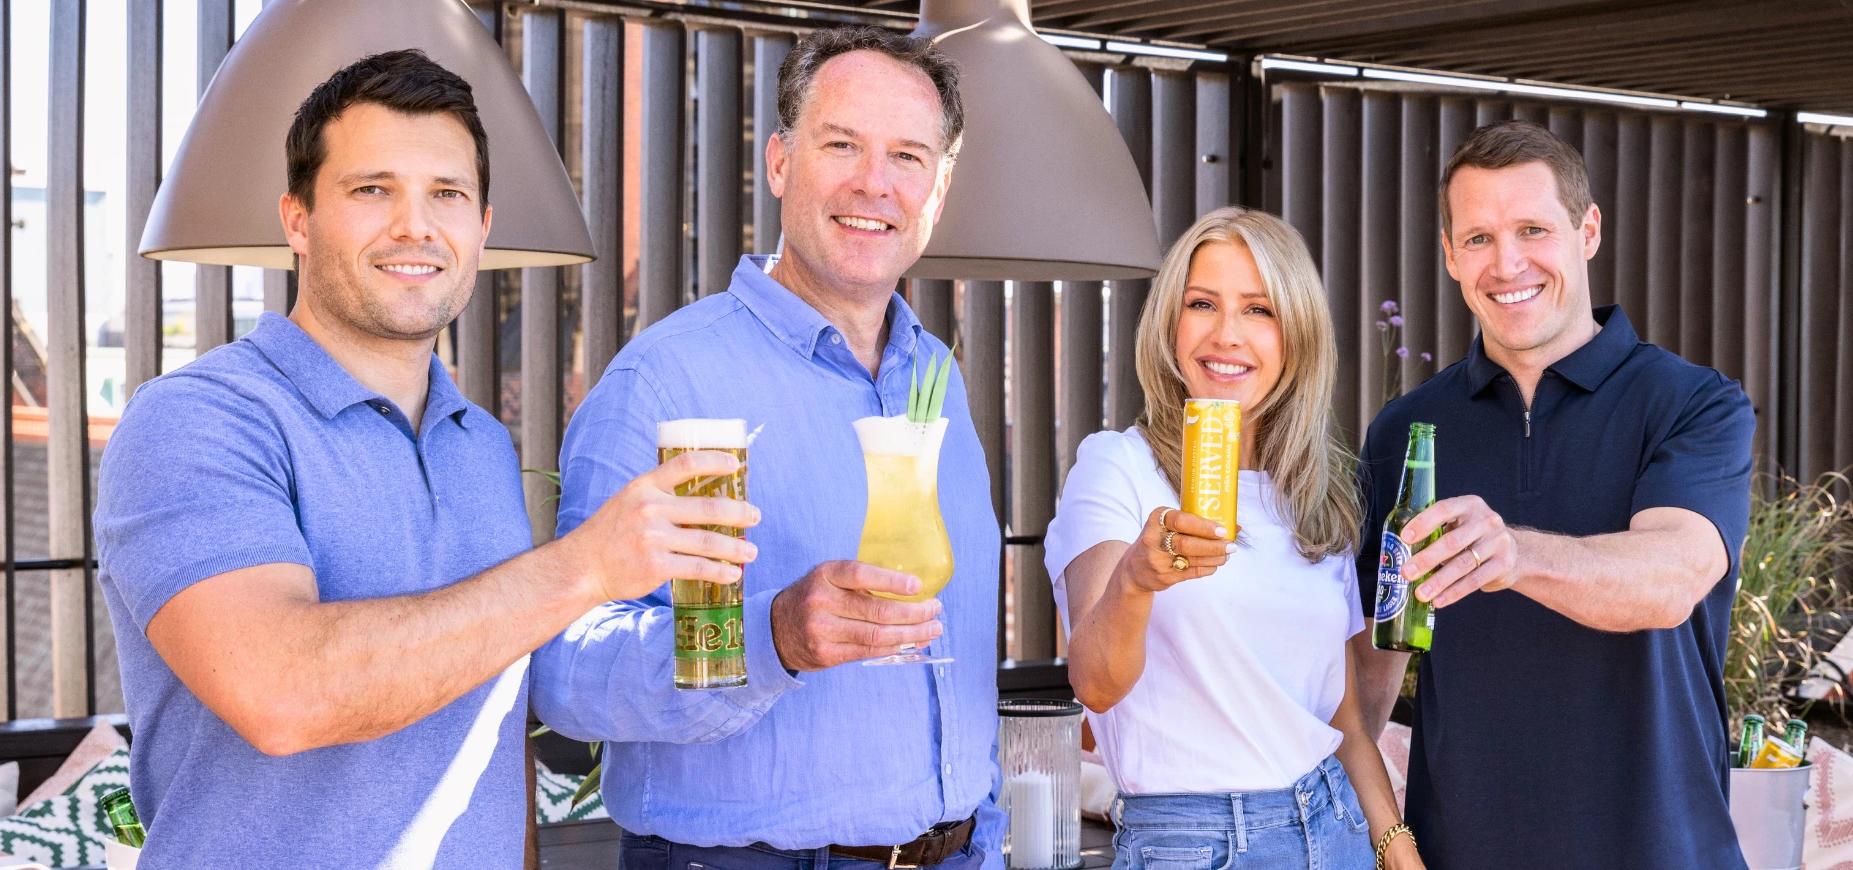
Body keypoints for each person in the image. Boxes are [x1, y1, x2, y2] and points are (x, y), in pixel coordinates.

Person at [93, 51, 758, 868]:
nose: (415, 225)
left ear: (482, 225)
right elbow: (281, 694)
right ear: (296, 219)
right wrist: (584, 568)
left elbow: (491, 722)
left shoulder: (478, 443)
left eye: (446, 194)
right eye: (372, 190)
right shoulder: (198, 421)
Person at [530, 26, 1003, 870]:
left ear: (939, 190)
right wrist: (772, 637)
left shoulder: (938, 378)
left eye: (907, 156)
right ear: (780, 163)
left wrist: (984, 821)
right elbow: (565, 673)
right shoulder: (667, 381)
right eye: (843, 145)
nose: (875, 182)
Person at [1350, 120, 1755, 869]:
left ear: (1588, 230)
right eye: (1477, 238)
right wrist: (1386, 833)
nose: (1507, 264)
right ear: (1449, 254)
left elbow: (1671, 577)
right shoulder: (1406, 430)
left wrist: (1512, 555)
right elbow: (1363, 676)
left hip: (1665, 853)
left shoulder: (1693, 404)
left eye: (1532, 229)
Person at [1044, 207, 1423, 870]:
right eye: (1202, 304)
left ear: (1295, 335)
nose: (1226, 335)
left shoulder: (1312, 500)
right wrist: (1137, 580)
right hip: (1194, 844)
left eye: (1258, 309)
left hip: (1333, 829)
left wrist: (1396, 846)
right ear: (1170, 322)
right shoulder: (1120, 468)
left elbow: (1345, 727)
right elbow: (1095, 683)